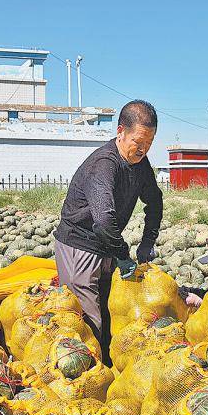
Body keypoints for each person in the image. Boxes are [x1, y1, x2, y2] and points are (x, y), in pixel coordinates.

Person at [53, 100, 163, 365]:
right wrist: (124, 256)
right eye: (138, 141)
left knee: (110, 313)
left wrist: (148, 242)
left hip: (107, 248)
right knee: (89, 323)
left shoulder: (140, 163)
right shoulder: (104, 164)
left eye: (149, 143)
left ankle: (110, 372)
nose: (143, 149)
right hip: (80, 246)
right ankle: (88, 383)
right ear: (120, 131)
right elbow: (103, 220)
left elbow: (155, 201)